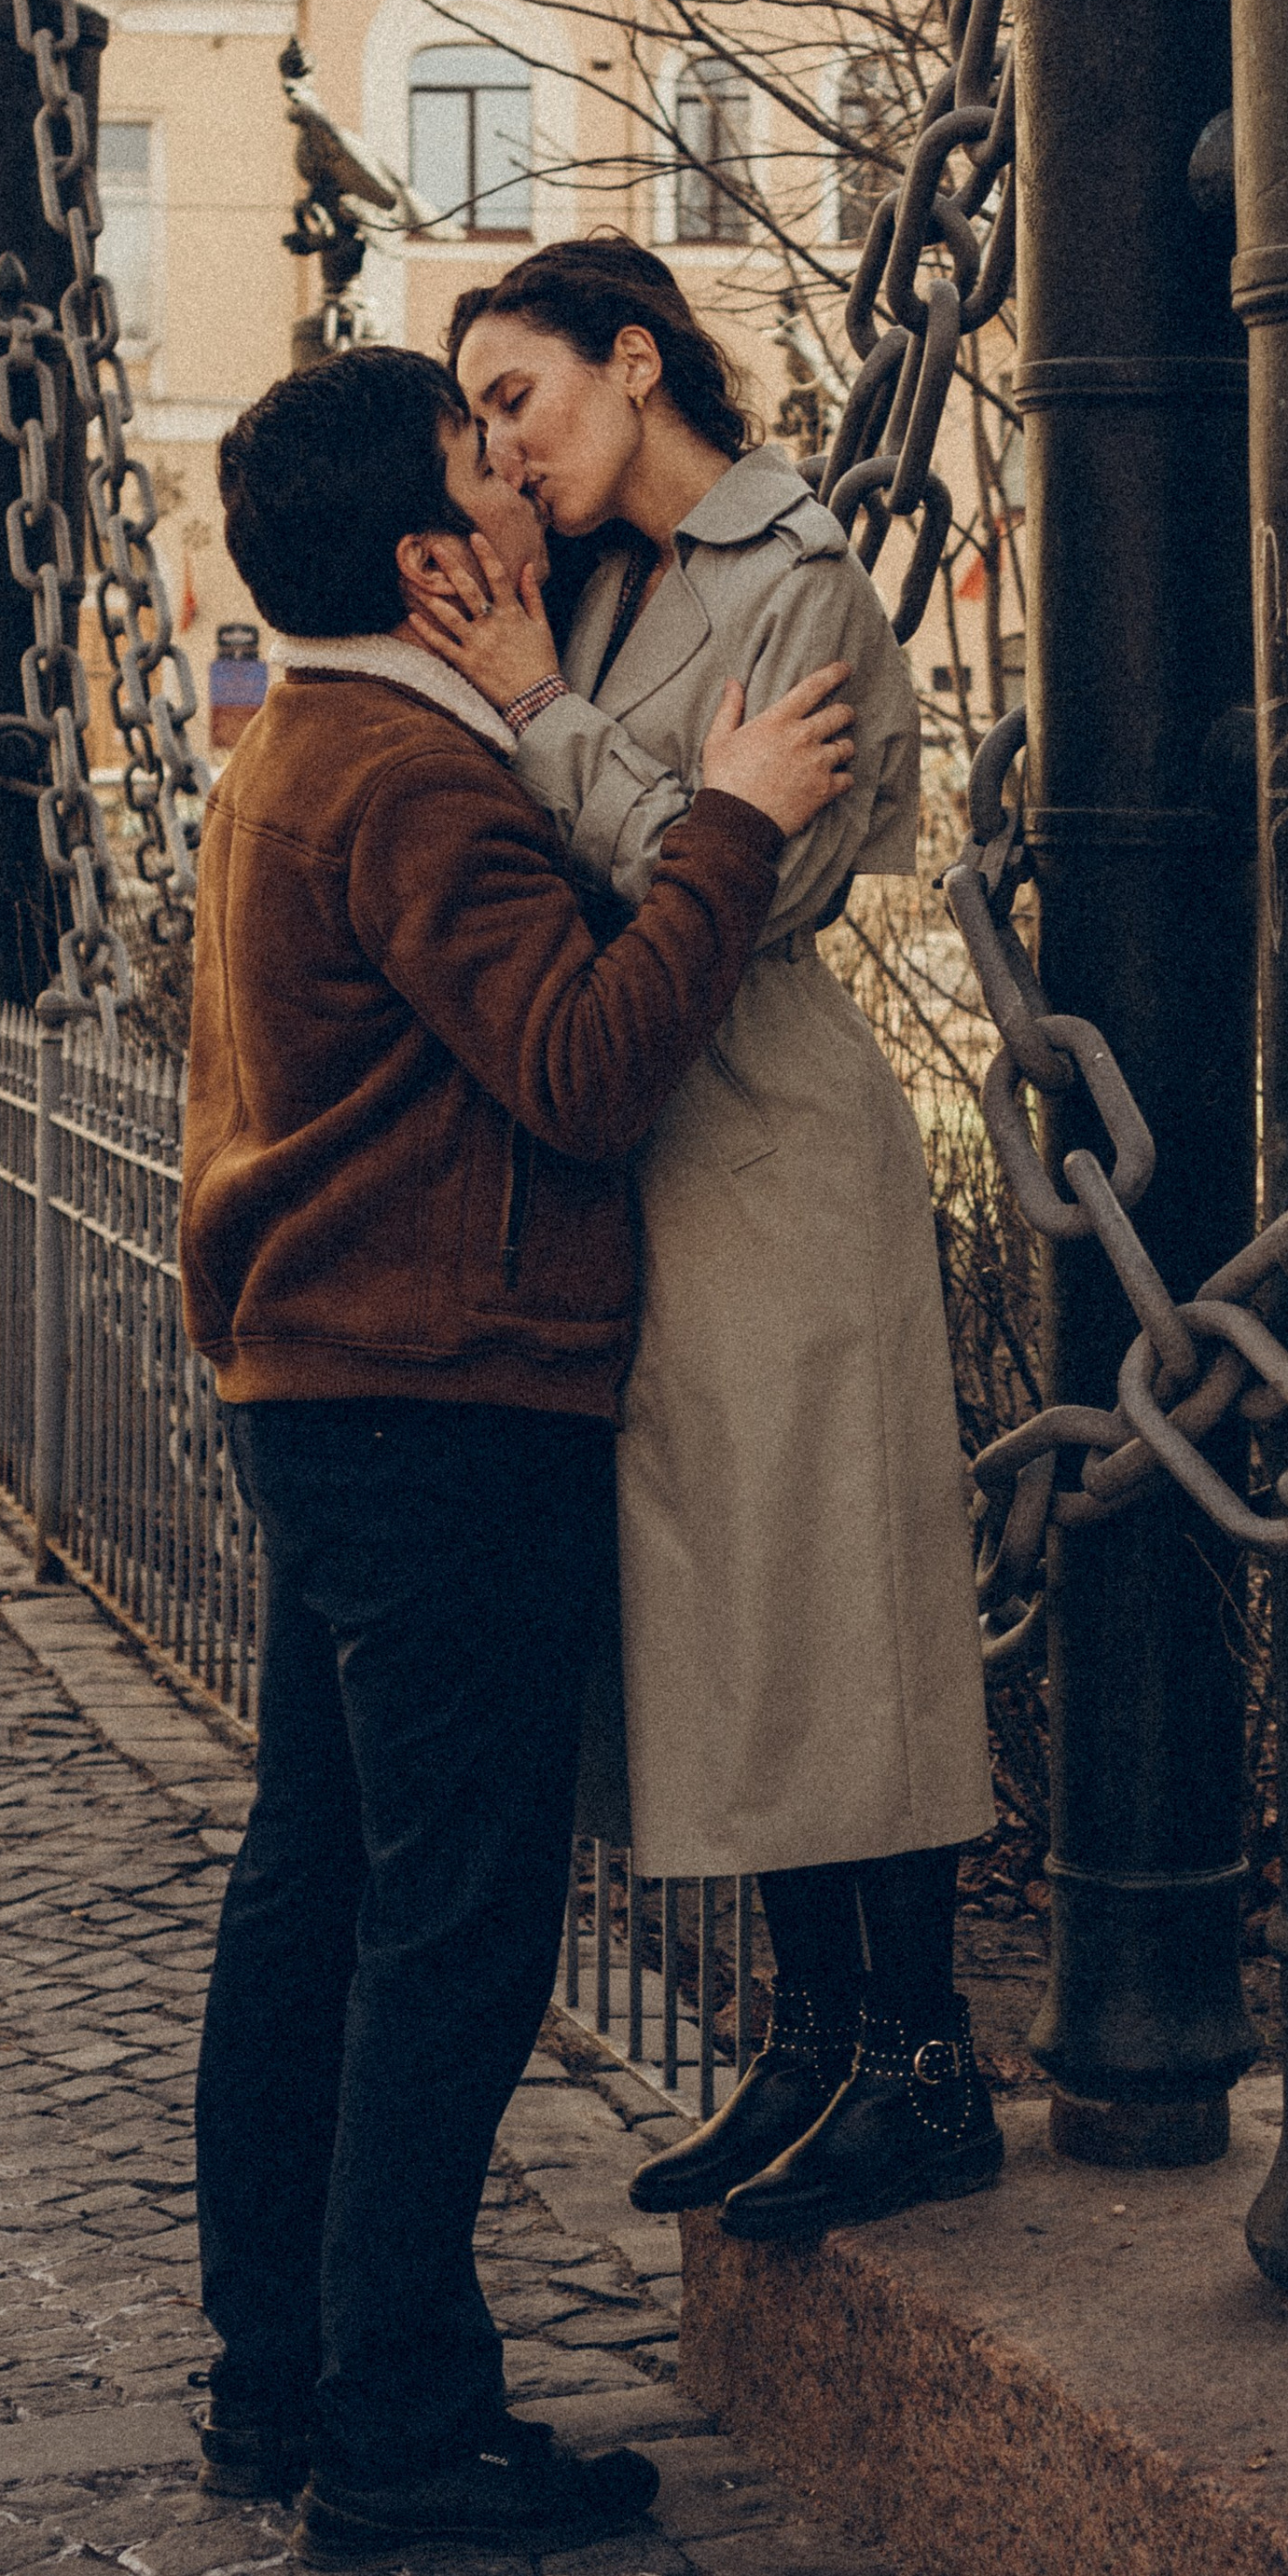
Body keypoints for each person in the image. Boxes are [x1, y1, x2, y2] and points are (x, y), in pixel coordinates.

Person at [182, 346, 856, 2555]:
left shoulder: (305, 742)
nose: (519, 483)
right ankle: (398, 2426)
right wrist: (734, 813)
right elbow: (580, 1069)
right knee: (449, 1927)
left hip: (335, 1388)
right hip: (444, 1398)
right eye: (484, 457)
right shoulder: (410, 779)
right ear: (428, 551)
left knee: (315, 1889)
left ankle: (275, 2377)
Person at [411, 235, 998, 2246]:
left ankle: (921, 2061)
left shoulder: (795, 578)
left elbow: (734, 873)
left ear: (633, 361)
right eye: (477, 413)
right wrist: (534, 680)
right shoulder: (582, 592)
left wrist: (539, 711)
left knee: (834, 1594)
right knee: (728, 1617)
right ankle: (812, 2043)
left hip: (765, 1141)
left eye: (521, 396)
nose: (502, 443)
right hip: (630, 1145)